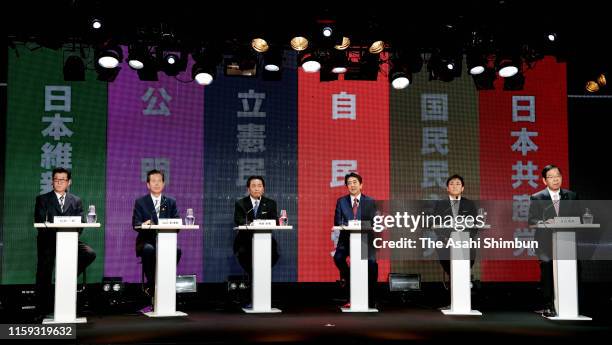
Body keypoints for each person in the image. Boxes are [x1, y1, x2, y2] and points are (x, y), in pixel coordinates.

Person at [34, 167, 96, 317]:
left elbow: (81, 223)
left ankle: (66, 276)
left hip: (69, 239)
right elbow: (40, 221)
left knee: (89, 253)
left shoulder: (76, 200)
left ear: (69, 182)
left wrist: (71, 235)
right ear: (52, 182)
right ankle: (42, 308)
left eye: (63, 180)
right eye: (56, 179)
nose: (59, 182)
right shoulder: (43, 199)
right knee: (44, 269)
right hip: (49, 240)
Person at [527, 164, 579, 317]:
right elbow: (531, 220)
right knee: (548, 266)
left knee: (574, 267)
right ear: (544, 180)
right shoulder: (537, 197)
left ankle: (570, 304)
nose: (556, 179)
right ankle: (548, 304)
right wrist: (545, 222)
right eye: (551, 176)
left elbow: (579, 218)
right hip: (545, 242)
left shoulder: (571, 196)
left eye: (558, 175)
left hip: (566, 242)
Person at [132, 169, 182, 296]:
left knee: (177, 250)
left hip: (166, 241)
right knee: (149, 249)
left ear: (163, 184)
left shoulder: (171, 202)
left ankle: (165, 279)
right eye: (153, 181)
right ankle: (152, 284)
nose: (156, 184)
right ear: (148, 184)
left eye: (159, 181)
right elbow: (136, 224)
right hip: (146, 241)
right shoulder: (141, 202)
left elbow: (177, 224)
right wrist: (143, 224)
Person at [333, 172, 378, 308]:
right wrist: (347, 225)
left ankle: (370, 298)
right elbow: (337, 221)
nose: (352, 185)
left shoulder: (369, 201)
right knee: (338, 258)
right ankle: (348, 278)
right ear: (346, 186)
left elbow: (373, 222)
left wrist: (359, 225)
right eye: (349, 183)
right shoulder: (341, 201)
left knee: (371, 264)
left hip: (363, 240)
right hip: (346, 239)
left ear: (361, 185)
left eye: (354, 182)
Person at [432, 174, 478, 281]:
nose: (455, 186)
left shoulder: (469, 204)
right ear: (447, 188)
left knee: (471, 247)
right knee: (439, 244)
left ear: (462, 188)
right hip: (446, 239)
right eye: (451, 184)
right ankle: (451, 273)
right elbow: (436, 223)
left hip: (465, 239)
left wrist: (466, 238)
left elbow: (475, 225)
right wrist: (446, 238)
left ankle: (464, 273)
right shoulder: (441, 204)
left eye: (458, 184)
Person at [233, 175, 279, 277]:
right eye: (253, 186)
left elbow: (275, 220)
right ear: (248, 189)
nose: (257, 188)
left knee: (272, 255)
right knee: (250, 267)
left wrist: (261, 223)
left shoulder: (270, 203)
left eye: (259, 186)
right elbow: (238, 219)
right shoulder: (240, 203)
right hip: (245, 241)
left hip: (265, 241)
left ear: (263, 189)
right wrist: (252, 223)